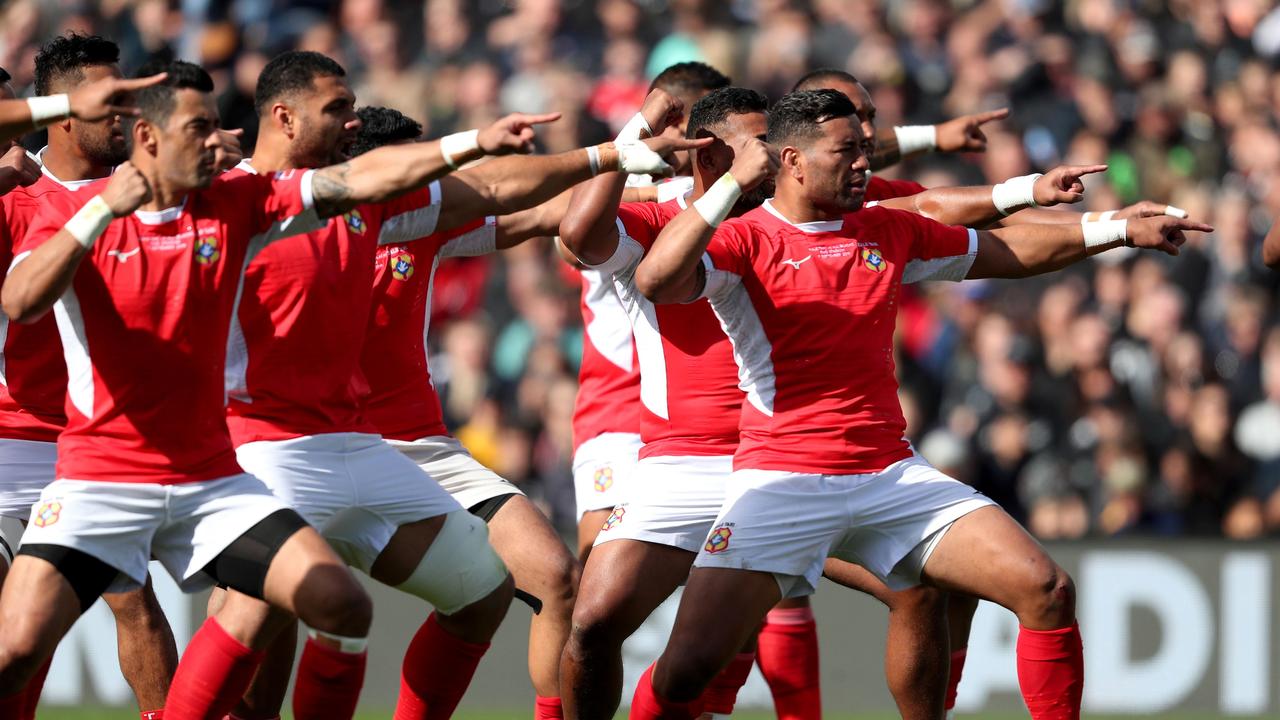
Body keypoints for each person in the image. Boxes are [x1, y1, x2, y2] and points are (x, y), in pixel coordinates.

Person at [625, 89, 1211, 720]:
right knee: (684, 674)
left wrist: (1118, 229)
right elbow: (656, 278)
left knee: (1046, 588)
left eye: (864, 152)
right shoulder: (746, 240)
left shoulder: (886, 229)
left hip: (888, 475)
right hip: (782, 481)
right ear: (791, 160)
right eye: (845, 152)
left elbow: (1007, 253)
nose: (862, 166)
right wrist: (731, 184)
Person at [0, 57, 559, 719]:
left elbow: (368, 181)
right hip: (106, 475)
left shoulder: (235, 204)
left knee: (342, 605)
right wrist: (97, 208)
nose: (220, 139)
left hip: (214, 477)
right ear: (148, 138)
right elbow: (22, 300)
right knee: (18, 650)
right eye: (201, 127)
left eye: (218, 126)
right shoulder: (61, 207)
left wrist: (507, 145)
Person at [209, 50, 690, 720]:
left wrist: (655, 174)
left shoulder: (413, 223)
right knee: (267, 624)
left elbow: (540, 204)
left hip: (413, 450)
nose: (437, 178)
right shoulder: (262, 211)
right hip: (282, 444)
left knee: (549, 576)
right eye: (339, 110)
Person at [0, 34, 182, 720]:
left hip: (101, 444)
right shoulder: (12, 195)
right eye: (110, 103)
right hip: (10, 439)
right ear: (63, 114)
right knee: (15, 643)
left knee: (133, 601)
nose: (125, 115)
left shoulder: (145, 189)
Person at [572, 61, 731, 562]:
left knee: (750, 585)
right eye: (709, 126)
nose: (721, 144)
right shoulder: (615, 195)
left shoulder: (731, 203)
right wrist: (633, 152)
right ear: (675, 126)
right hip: (619, 411)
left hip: (706, 416)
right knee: (590, 579)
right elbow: (568, 234)